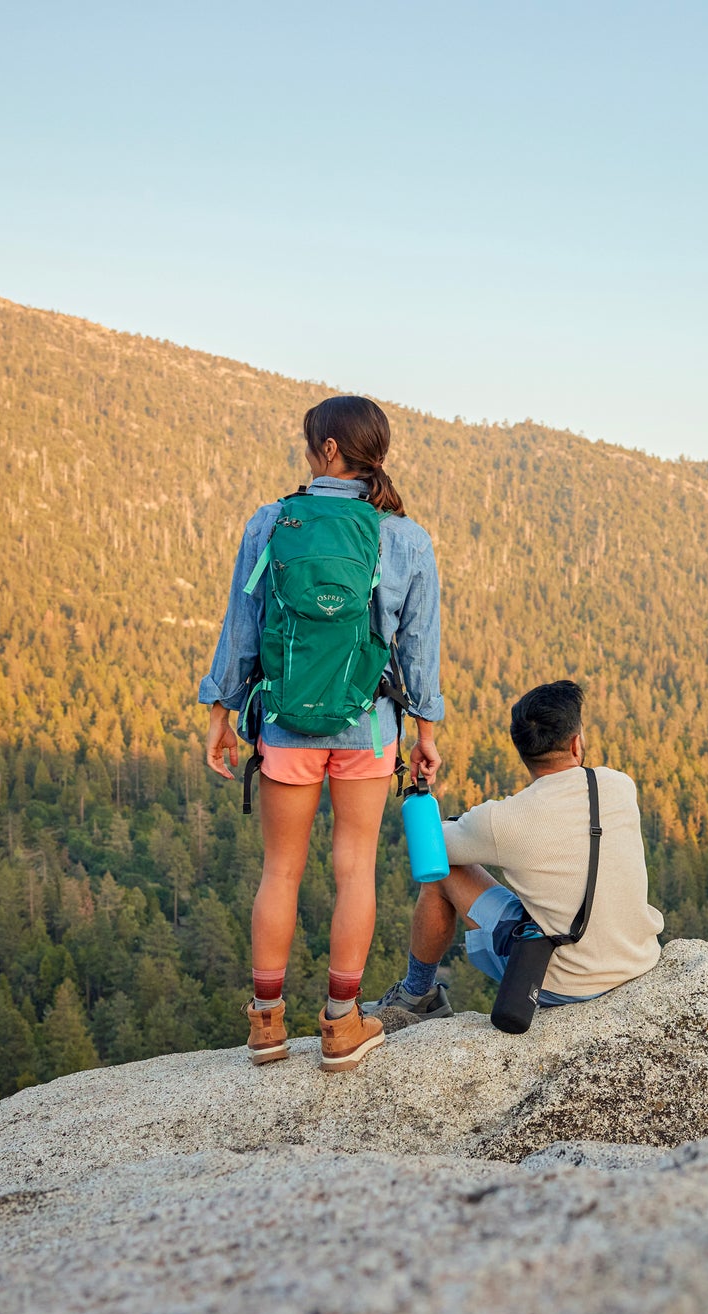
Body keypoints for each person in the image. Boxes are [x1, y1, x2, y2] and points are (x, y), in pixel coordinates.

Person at [200, 395, 444, 1071]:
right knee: (354, 866)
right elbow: (418, 650)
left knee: (281, 867)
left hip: (284, 724)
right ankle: (341, 1023)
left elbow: (241, 628)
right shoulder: (404, 537)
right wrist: (424, 729)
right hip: (369, 727)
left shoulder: (273, 520)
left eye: (313, 444)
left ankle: (266, 1025)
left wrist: (220, 712)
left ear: (329, 450)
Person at [370, 680, 662, 1016]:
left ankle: (417, 995)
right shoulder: (618, 785)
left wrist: (425, 797)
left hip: (563, 984)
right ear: (576, 744)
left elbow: (432, 850)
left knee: (440, 873)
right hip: (638, 961)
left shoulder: (505, 819)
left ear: (522, 751)